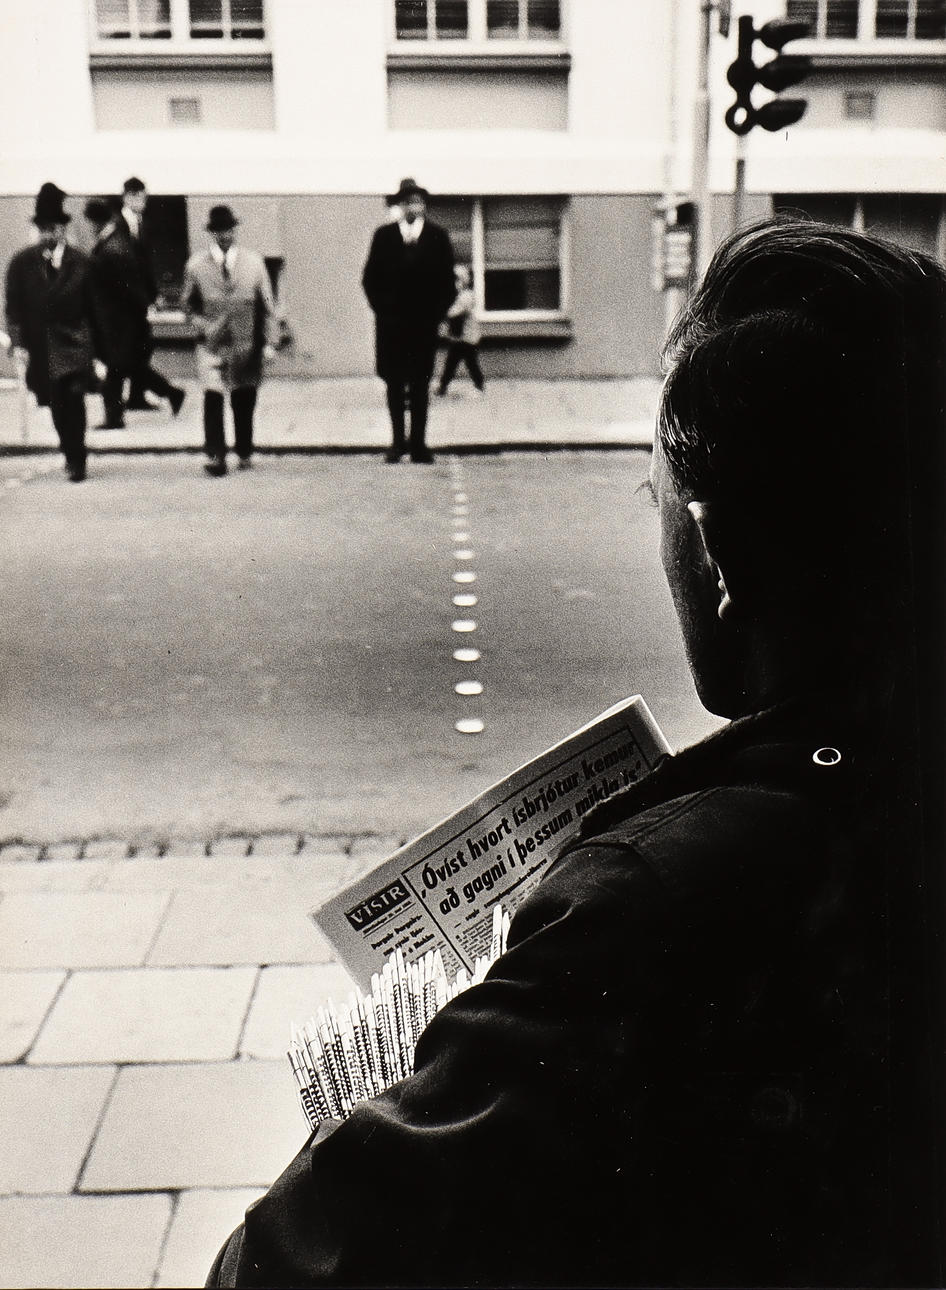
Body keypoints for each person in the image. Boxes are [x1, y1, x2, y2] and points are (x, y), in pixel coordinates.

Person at [207, 219, 945, 1288]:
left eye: (659, 506)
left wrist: (358, 1121)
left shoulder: (646, 907)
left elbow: (281, 1271)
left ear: (721, 551)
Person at [4, 183, 104, 482]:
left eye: (54, 229)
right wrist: (18, 343)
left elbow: (96, 309)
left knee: (72, 398)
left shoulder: (82, 262)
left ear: (63, 230)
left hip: (76, 343)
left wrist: (100, 354)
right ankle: (69, 448)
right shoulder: (21, 264)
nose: (48, 235)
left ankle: (77, 458)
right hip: (40, 347)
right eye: (43, 229)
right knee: (56, 404)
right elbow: (13, 308)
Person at [362, 177, 455, 464]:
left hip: (423, 328)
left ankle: (418, 445)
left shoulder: (438, 237)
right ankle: (397, 443)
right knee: (393, 384)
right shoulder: (384, 236)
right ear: (400, 206)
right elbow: (369, 280)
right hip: (391, 327)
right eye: (408, 202)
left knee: (419, 385)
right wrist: (385, 313)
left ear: (424, 206)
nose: (414, 207)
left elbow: (447, 284)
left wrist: (436, 316)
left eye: (419, 202)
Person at [182, 204, 278, 476]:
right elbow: (187, 307)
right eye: (219, 231)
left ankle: (244, 449)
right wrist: (203, 325)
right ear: (212, 233)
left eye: (229, 230)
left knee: (243, 399)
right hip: (211, 345)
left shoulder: (254, 263)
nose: (224, 236)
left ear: (235, 230)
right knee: (213, 398)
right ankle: (215, 454)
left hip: (246, 344)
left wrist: (270, 342)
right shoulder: (196, 266)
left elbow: (268, 305)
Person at [115, 176, 186, 417]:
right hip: (124, 303)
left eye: (144, 196)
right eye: (137, 196)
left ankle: (137, 396)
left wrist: (153, 295)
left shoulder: (142, 223)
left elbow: (146, 265)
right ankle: (169, 392)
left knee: (140, 350)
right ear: (126, 197)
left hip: (139, 301)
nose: (142, 201)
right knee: (131, 354)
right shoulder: (119, 225)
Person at [83, 197, 152, 429]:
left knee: (112, 370)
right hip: (118, 319)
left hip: (114, 321)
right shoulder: (115, 242)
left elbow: (126, 287)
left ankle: (114, 417)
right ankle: (116, 414)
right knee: (116, 368)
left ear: (94, 222)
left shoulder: (111, 248)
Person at [436, 263, 485, 397]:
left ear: (463, 281)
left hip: (468, 338)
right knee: (451, 363)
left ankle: (479, 386)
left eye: (456, 280)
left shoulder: (466, 296)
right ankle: (443, 387)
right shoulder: (458, 296)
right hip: (459, 338)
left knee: (471, 363)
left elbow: (452, 313)